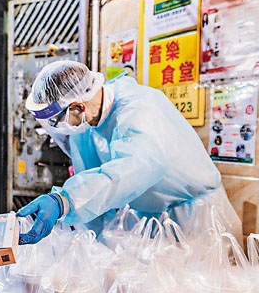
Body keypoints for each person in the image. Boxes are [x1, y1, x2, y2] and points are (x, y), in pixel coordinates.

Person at [18, 61, 241, 244]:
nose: (58, 129)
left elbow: (137, 167)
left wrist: (65, 200)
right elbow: (95, 186)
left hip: (197, 221)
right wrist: (90, 243)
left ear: (78, 106)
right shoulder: (84, 127)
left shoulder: (139, 108)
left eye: (57, 120)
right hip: (147, 223)